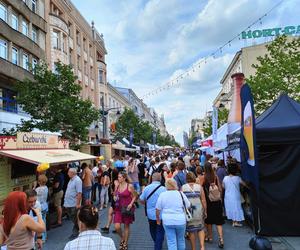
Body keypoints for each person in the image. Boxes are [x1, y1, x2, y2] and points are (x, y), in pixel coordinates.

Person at [155, 178, 190, 250]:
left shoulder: (163, 195)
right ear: (175, 184)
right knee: (181, 240)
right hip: (180, 220)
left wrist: (158, 219)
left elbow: (157, 209)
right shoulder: (180, 194)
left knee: (171, 241)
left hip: (167, 221)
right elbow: (188, 205)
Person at [140, 173, 166, 250]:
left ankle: (157, 243)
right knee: (160, 230)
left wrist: (147, 203)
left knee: (152, 229)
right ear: (160, 179)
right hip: (161, 214)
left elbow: (141, 200)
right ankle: (158, 244)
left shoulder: (147, 188)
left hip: (150, 214)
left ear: (152, 179)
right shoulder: (164, 189)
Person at [182, 172, 207, 250]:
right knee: (200, 228)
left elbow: (182, 200)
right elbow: (203, 200)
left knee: (191, 230)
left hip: (189, 211)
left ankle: (193, 248)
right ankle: (202, 247)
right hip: (199, 209)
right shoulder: (199, 187)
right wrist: (205, 210)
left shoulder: (183, 187)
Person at [203, 162, 224, 248]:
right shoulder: (215, 176)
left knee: (209, 222)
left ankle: (210, 237)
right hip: (217, 201)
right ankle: (221, 239)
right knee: (219, 222)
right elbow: (220, 189)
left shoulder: (204, 178)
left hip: (209, 202)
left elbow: (202, 190)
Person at [113, 171, 137, 250]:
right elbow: (114, 195)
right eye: (118, 177)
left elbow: (134, 196)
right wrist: (115, 198)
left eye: (120, 177)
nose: (118, 178)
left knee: (126, 226)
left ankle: (125, 243)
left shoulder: (129, 186)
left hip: (127, 208)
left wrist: (131, 204)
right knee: (117, 227)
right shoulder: (117, 185)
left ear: (124, 178)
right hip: (118, 208)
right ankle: (123, 238)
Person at [64, 167, 82, 239]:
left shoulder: (77, 180)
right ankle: (80, 230)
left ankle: (77, 232)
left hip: (74, 203)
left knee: (75, 218)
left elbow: (79, 193)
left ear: (72, 173)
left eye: (68, 172)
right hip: (69, 203)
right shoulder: (71, 180)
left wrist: (77, 204)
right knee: (73, 218)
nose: (67, 173)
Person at [35, 174, 49, 242]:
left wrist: (34, 186)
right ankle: (45, 236)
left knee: (40, 222)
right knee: (44, 221)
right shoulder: (46, 187)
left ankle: (42, 238)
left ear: (39, 181)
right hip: (45, 205)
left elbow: (33, 193)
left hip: (40, 207)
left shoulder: (38, 189)